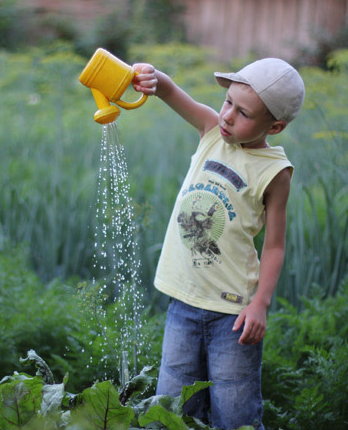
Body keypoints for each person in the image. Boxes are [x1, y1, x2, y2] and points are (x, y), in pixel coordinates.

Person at [131, 58, 305, 430]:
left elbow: (274, 246)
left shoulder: (274, 172)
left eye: (243, 113)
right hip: (184, 302)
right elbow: (170, 92)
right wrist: (153, 77)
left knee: (235, 415)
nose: (227, 116)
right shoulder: (211, 130)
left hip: (234, 317)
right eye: (228, 102)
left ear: (274, 125)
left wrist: (261, 304)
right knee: (172, 410)